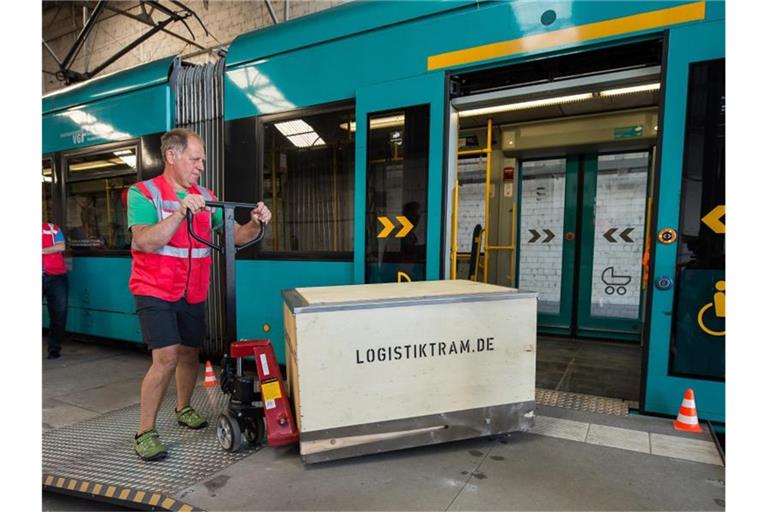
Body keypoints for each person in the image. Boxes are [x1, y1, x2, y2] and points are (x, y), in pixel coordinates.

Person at [127, 128, 271, 461]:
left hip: (192, 290)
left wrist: (256, 223)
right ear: (171, 156)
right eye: (196, 158)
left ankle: (183, 407)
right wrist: (180, 212)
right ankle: (144, 432)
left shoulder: (205, 195)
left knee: (190, 355)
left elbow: (234, 236)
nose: (201, 165)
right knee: (166, 357)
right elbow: (146, 240)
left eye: (203, 159)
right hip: (154, 288)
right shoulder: (144, 193)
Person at [42, 221, 68, 359]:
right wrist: (50, 249)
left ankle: (54, 349)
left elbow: (61, 246)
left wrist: (41, 250)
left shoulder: (53, 228)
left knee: (59, 313)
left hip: (56, 275)